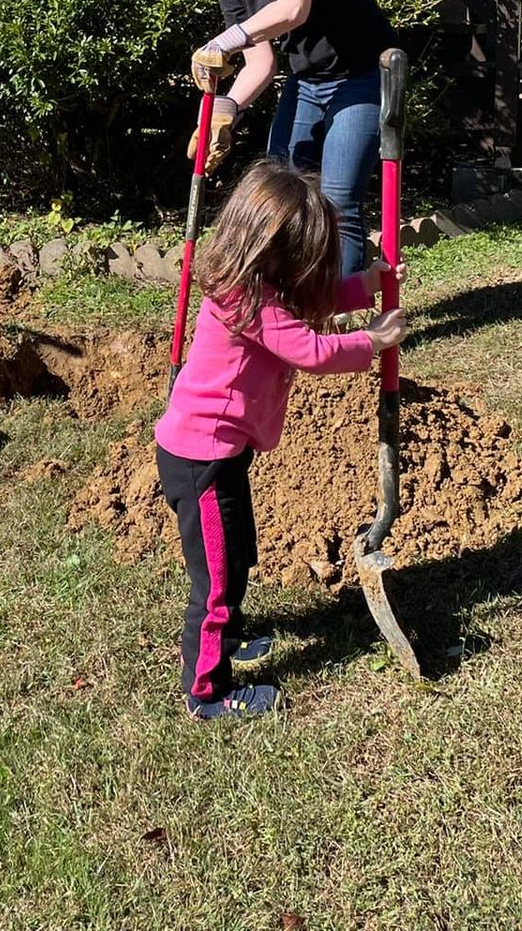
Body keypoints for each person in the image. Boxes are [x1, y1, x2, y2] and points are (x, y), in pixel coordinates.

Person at [154, 159, 408, 721]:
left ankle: (234, 638)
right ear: (271, 247)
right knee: (215, 583)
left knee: (239, 552)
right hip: (200, 463)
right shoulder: (244, 300)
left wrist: (363, 287)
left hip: (221, 455)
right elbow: (311, 350)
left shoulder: (259, 285)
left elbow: (305, 309)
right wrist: (373, 340)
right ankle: (207, 693)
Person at [167, 0, 399, 276]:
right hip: (308, 80)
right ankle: (293, 309)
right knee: (279, 191)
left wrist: (225, 41)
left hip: (361, 74)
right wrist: (226, 111)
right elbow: (261, 62)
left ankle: (337, 316)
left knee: (337, 200)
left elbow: (294, 7)